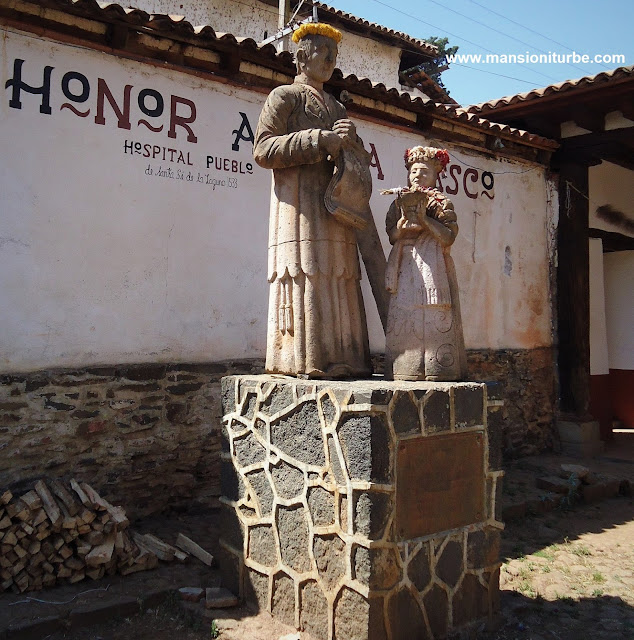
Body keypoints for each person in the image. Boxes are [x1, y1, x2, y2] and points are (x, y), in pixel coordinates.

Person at [253, 23, 372, 378]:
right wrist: (316, 140)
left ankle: (344, 356)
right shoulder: (284, 97)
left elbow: (356, 163)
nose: (330, 62)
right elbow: (263, 149)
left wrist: (352, 143)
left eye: (335, 57)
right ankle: (304, 358)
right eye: (324, 54)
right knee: (306, 273)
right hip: (300, 206)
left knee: (339, 273)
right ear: (303, 56)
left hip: (334, 209)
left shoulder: (338, 106)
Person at [384, 146, 467, 381]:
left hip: (433, 264)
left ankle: (438, 366)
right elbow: (392, 236)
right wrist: (402, 221)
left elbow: (448, 236)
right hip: (404, 264)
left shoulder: (442, 203)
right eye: (414, 171)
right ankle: (405, 366)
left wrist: (424, 220)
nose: (417, 176)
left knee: (434, 318)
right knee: (405, 316)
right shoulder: (398, 202)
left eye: (424, 172)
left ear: (435, 175)